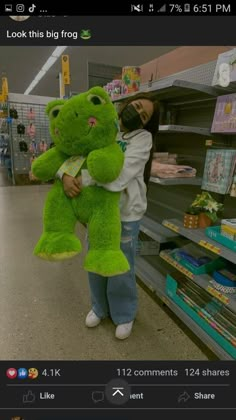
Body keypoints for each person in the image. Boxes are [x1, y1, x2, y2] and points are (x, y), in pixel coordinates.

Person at [62, 92, 160, 340]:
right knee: (95, 259)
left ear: (147, 123)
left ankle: (124, 313)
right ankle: (99, 307)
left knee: (121, 265)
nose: (136, 113)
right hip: (98, 211)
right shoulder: (104, 126)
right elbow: (75, 151)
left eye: (144, 115)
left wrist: (82, 179)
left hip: (126, 214)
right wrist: (65, 174)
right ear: (127, 103)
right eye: (136, 106)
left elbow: (120, 176)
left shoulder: (142, 138)